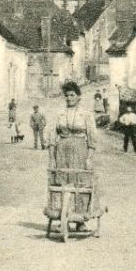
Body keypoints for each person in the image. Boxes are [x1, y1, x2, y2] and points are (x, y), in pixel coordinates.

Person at [46, 80, 101, 229]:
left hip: (80, 151)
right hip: (62, 151)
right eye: (67, 95)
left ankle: (80, 220)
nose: (69, 98)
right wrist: (52, 158)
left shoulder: (86, 114)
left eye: (72, 95)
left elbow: (92, 138)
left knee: (80, 182)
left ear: (78, 97)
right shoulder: (60, 114)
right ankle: (61, 216)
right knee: (62, 182)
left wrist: (89, 158)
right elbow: (52, 136)